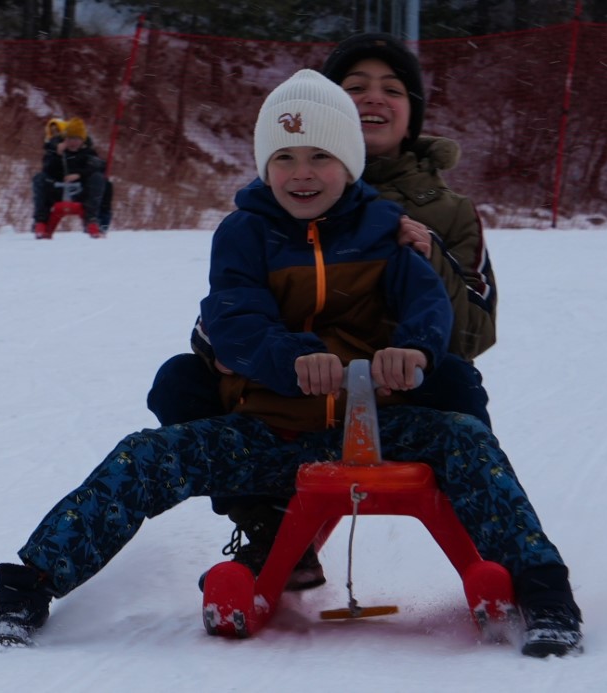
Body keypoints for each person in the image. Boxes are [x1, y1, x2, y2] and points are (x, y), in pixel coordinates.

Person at [0, 69, 582, 657]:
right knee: (148, 454)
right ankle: (29, 584)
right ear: (265, 165)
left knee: (465, 438)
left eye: (320, 156)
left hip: (373, 428)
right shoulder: (244, 233)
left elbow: (428, 306)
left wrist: (415, 351)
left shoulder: (385, 234)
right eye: (285, 158)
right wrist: (294, 358)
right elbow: (234, 319)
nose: (301, 174)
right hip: (269, 431)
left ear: (349, 163)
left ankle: (541, 588)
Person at [147, 33, 497, 591]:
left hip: (391, 385)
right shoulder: (275, 200)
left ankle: (492, 531)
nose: (374, 98)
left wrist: (428, 264)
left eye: (393, 89)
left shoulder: (448, 212)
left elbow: (476, 329)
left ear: (414, 112)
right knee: (181, 381)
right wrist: (238, 352)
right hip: (294, 386)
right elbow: (229, 310)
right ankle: (267, 521)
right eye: (355, 88)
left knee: (457, 379)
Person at [31, 116, 111, 239]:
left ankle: (93, 221)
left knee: (102, 181)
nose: (73, 142)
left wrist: (79, 174)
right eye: (70, 139)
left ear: (82, 140)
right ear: (65, 138)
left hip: (81, 192)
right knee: (40, 178)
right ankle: (40, 221)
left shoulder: (88, 152)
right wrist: (57, 155)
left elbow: (98, 166)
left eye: (77, 139)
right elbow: (47, 168)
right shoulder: (55, 149)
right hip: (58, 189)